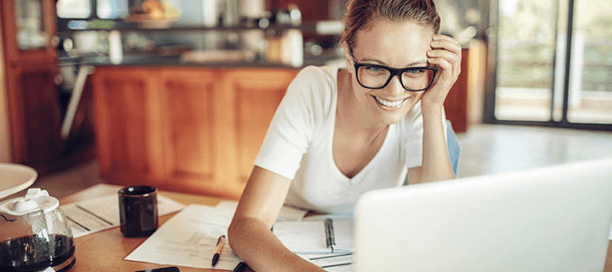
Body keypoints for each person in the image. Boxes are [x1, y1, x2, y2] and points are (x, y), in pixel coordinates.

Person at [228, 0, 461, 270]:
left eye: (415, 69)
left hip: (370, 247)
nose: (395, 92)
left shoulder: (420, 98)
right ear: (349, 57)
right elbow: (246, 225)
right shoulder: (314, 90)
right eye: (375, 67)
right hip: (293, 242)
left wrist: (432, 107)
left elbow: (439, 221)